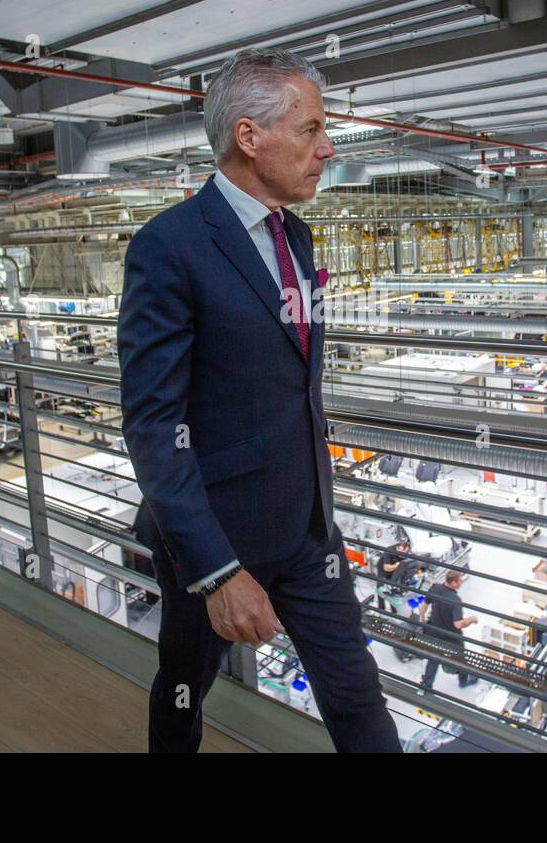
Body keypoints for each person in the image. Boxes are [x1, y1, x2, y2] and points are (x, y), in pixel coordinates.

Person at [118, 48, 400, 753]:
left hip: (309, 534)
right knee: (183, 690)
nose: (327, 148)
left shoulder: (295, 236)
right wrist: (215, 570)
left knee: (358, 700)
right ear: (250, 137)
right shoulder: (169, 247)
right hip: (213, 540)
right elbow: (153, 424)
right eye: (310, 130)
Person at [421, 570, 479, 691]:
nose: (462, 583)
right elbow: (458, 624)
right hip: (451, 636)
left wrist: (422, 619)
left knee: (433, 659)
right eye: (460, 581)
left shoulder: (435, 588)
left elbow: (424, 606)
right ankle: (463, 681)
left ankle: (427, 685)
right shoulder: (455, 600)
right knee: (461, 659)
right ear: (453, 583)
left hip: (434, 631)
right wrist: (471, 619)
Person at [375, 539, 410, 611]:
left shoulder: (405, 550)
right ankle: (381, 608)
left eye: (405, 553)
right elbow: (386, 568)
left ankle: (393, 609)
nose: (403, 555)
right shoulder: (389, 552)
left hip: (393, 571)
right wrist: (396, 566)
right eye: (402, 553)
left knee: (392, 588)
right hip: (383, 571)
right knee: (381, 588)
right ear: (397, 548)